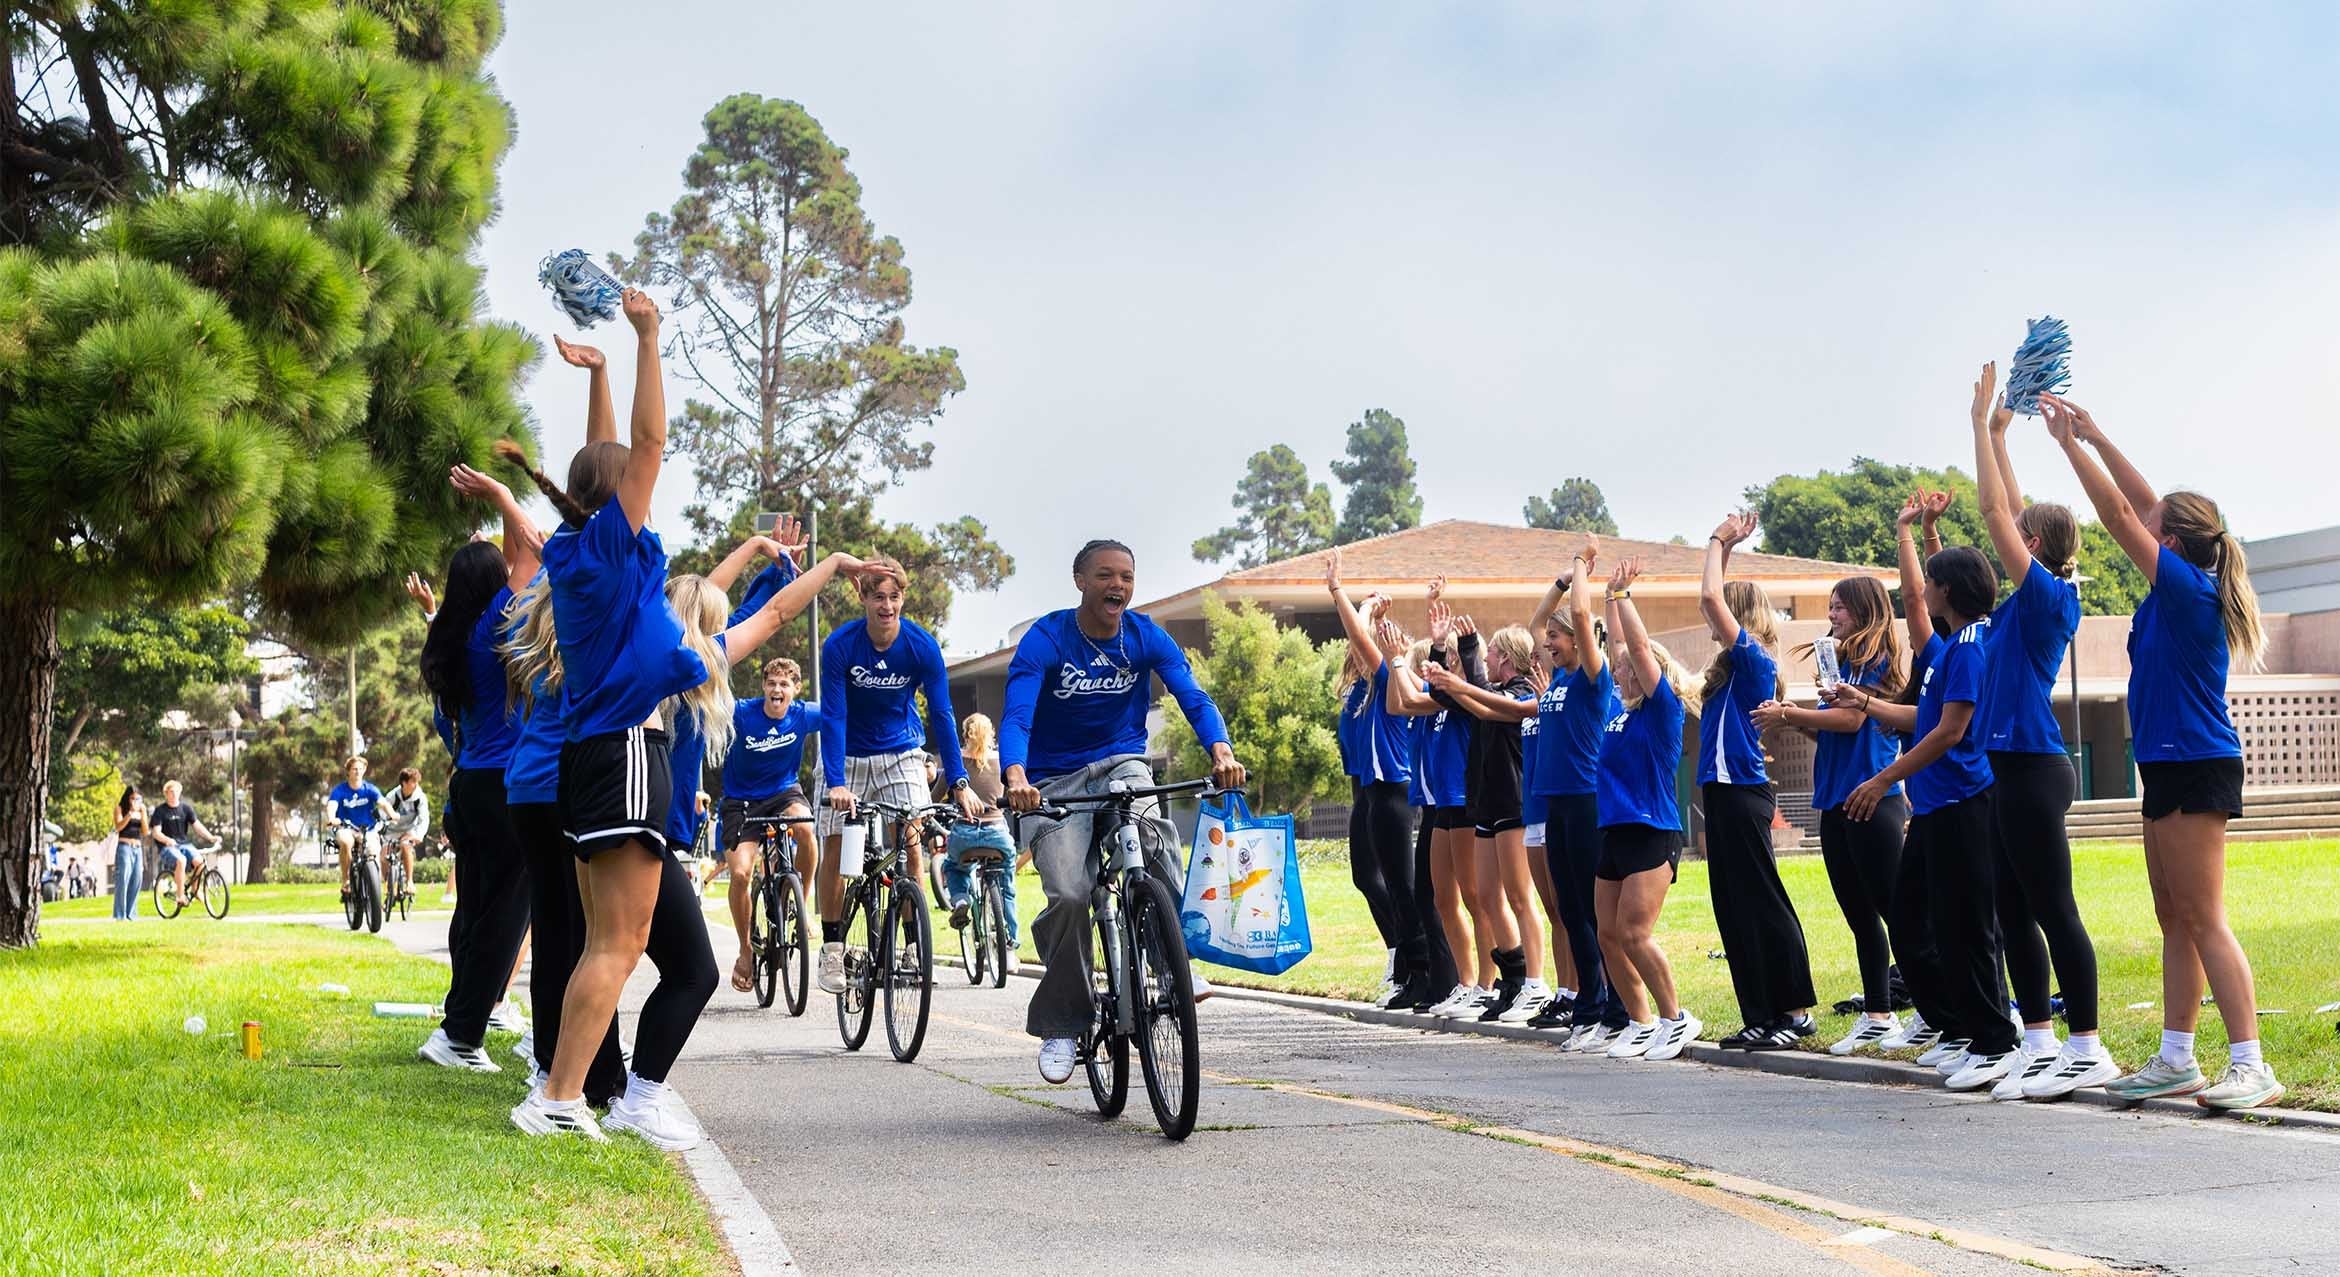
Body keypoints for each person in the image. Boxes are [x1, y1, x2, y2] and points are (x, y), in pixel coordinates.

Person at [2042, 393, 2281, 1110]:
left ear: (2170, 544)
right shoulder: (2183, 574)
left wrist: (2068, 447)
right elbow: (2146, 504)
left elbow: (2121, 514)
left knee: (2204, 916)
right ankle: (2177, 1056)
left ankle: (2252, 1063)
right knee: (2172, 915)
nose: (2141, 528)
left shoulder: (2185, 590)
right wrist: (2098, 433)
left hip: (2198, 763)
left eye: (2156, 529)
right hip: (2171, 764)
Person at [499, 286, 695, 1142]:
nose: (649, 481)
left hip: (595, 756)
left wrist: (601, 375)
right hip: (619, 755)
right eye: (636, 486)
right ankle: (556, 1098)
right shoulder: (610, 549)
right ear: (617, 498)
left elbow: (607, 457)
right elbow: (646, 444)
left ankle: (565, 1093)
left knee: (603, 941)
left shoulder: (583, 547)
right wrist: (648, 337)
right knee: (619, 941)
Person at [625, 546, 866, 1147]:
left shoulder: (641, 653)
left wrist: (763, 554)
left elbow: (729, 602)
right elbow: (775, 613)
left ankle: (576, 1080)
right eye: (717, 618)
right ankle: (628, 1094)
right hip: (659, 834)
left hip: (633, 826)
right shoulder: (690, 664)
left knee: (605, 955)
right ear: (703, 625)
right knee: (681, 970)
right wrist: (831, 566)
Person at [1000, 539, 1247, 1085]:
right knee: (1068, 893)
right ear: (1080, 581)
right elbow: (1016, 714)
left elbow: (1192, 695)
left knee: (1157, 838)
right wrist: (1015, 775)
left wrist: (1221, 750)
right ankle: (1064, 1022)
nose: (1119, 586)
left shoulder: (1144, 636)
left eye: (1127, 577)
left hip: (1122, 763)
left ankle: (1169, 960)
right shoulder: (1047, 638)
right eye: (1106, 576)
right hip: (1052, 779)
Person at [1834, 495, 2018, 1091]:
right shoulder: (1945, 650)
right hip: (1936, 809)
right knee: (1915, 922)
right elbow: (1920, 714)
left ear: (1948, 593)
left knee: (1968, 928)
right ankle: (1960, 1030)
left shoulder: (1968, 649)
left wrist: (1884, 777)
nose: (1921, 595)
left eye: (1932, 585)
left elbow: (1950, 730)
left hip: (1965, 803)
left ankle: (1995, 1041)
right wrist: (1864, 702)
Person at [1967, 366, 2112, 1101]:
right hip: (2008, 766)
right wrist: (2000, 434)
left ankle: (2088, 1045)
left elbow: (1997, 510)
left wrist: (1979, 427)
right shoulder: (2018, 606)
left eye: (2022, 536)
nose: (2008, 537)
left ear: (2039, 545)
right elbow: (2010, 506)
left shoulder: (2053, 598)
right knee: (2012, 910)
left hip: (2034, 766)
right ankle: (2039, 1040)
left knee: (2053, 906)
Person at [417, 460, 544, 1075]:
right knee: (506, 913)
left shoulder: (453, 629)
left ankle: (457, 1023)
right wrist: (500, 493)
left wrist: (499, 504)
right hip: (501, 786)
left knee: (474, 911)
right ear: (493, 581)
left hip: (468, 786)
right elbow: (533, 545)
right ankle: (462, 1034)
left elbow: (519, 551)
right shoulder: (499, 616)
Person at [1752, 574, 1910, 1055]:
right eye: (1831, 606)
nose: (1832, 614)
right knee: (1859, 914)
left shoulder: (1875, 659)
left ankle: (1927, 1006)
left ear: (1864, 610)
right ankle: (1878, 1013)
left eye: (1840, 606)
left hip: (1872, 798)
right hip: (1836, 799)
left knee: (1894, 912)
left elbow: (1853, 720)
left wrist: (1790, 714)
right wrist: (1803, 719)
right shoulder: (1840, 663)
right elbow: (1835, 731)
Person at [812, 558, 982, 993]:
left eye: (894, 596)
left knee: (910, 841)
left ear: (902, 598)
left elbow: (943, 715)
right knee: (833, 842)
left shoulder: (921, 647)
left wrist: (959, 780)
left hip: (901, 751)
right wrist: (834, 782)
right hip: (846, 754)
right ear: (863, 598)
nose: (886, 605)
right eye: (878, 596)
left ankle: (911, 945)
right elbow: (832, 716)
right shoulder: (840, 646)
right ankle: (832, 949)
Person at [1698, 513, 1819, 1050]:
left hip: (1744, 794)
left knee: (1763, 900)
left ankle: (1792, 1013)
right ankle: (1760, 1012)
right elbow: (1714, 601)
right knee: (1733, 906)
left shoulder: (1753, 661)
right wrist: (1723, 553)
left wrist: (1719, 540)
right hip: (1720, 795)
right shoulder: (1729, 670)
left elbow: (1709, 601)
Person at [1592, 558, 1703, 1061]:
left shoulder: (1663, 711)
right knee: (1609, 935)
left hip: (1652, 831)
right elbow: (1619, 647)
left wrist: (1624, 599)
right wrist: (1608, 596)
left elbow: (1634, 646)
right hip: (1614, 832)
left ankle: (1676, 1018)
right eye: (1618, 671)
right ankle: (1640, 1021)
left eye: (1629, 670)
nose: (1620, 672)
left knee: (1635, 933)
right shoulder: (1618, 709)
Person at [1528, 539, 1635, 1047]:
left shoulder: (1594, 678)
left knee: (1593, 913)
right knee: (1571, 910)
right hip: (1557, 804)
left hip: (1588, 799)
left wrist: (1580, 566)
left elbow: (1580, 612)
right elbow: (1536, 622)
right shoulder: (1555, 678)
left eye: (1556, 637)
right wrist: (1559, 582)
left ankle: (1615, 1010)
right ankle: (1589, 1007)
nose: (1547, 642)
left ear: (1576, 640)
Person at [1424, 614, 1547, 1024]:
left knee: (1518, 897)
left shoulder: (1520, 693)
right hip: (1485, 804)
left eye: (1491, 651)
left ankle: (1535, 982)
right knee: (1489, 897)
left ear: (1508, 657)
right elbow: (1457, 697)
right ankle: (1511, 979)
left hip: (1512, 804)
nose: (1487, 658)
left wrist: (1466, 650)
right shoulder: (1492, 694)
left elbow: (1481, 695)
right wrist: (1441, 655)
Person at [1322, 551, 1431, 1012]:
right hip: (1364, 791)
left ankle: (1419, 967)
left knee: (1402, 885)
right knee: (1367, 878)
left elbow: (1362, 641)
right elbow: (1356, 647)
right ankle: (1399, 954)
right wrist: (1368, 613)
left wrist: (1346, 597)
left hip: (1392, 791)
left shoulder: (1391, 678)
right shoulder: (1361, 691)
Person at [1386, 600, 1483, 1017]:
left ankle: (1487, 983)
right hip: (1439, 804)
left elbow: (1410, 696)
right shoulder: (1441, 696)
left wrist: (1396, 659)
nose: (1432, 670)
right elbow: (1398, 703)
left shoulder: (1459, 698)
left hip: (1463, 802)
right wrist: (1407, 659)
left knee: (1476, 897)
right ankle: (1464, 982)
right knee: (1442, 898)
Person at [719, 655, 821, 993]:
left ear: (796, 689)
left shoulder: (803, 715)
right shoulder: (742, 713)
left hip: (783, 793)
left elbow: (842, 713)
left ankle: (801, 905)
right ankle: (746, 950)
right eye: (772, 683)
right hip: (740, 802)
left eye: (784, 684)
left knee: (806, 831)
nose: (777, 690)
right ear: (764, 686)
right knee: (740, 874)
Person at [943, 712, 1020, 954]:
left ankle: (961, 899)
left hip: (964, 833)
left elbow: (934, 797)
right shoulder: (1003, 762)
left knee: (954, 868)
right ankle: (1010, 944)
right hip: (997, 832)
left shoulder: (957, 764)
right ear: (991, 734)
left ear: (965, 734)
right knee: (1007, 883)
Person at [325, 757, 386, 902]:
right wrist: (332, 818)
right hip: (346, 827)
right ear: (348, 772)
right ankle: (346, 880)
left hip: (367, 829)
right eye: (354, 769)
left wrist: (392, 814)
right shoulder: (340, 790)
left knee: (373, 850)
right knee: (346, 842)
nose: (357, 771)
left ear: (364, 770)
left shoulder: (369, 789)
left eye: (360, 769)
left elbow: (382, 802)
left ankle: (375, 891)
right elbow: (332, 805)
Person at [148, 780, 215, 908]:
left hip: (184, 844)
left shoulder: (185, 808)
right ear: (166, 793)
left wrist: (210, 837)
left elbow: (197, 826)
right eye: (171, 792)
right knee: (181, 860)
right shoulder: (160, 811)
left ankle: (194, 890)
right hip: (167, 847)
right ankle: (180, 896)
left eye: (176, 792)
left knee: (200, 862)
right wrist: (167, 840)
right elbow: (156, 833)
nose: (174, 794)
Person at [380, 769, 430, 903]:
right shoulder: (393, 796)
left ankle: (409, 882)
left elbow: (424, 819)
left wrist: (418, 835)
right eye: (413, 782)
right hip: (392, 831)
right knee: (384, 857)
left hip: (409, 830)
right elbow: (381, 814)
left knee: (405, 845)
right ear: (404, 783)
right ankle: (389, 887)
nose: (416, 785)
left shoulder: (420, 798)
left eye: (416, 782)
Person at [111, 786, 147, 921]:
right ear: (127, 798)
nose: (134, 801)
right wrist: (130, 813)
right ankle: (120, 915)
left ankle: (131, 914)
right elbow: (118, 826)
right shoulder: (120, 808)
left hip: (137, 847)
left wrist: (142, 814)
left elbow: (145, 831)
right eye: (132, 798)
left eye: (137, 798)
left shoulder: (142, 810)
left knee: (137, 879)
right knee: (123, 879)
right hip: (124, 846)